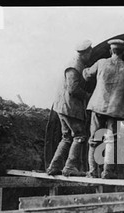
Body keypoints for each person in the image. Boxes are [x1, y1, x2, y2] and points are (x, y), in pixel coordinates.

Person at [82, 39, 124, 179]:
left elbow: (87, 75)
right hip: (116, 110)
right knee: (111, 140)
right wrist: (119, 102)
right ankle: (107, 171)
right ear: (123, 52)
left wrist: (85, 71)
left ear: (111, 51)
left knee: (94, 139)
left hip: (98, 107)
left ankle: (93, 171)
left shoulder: (101, 63)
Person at [47, 40, 93, 176]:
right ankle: (70, 167)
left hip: (63, 106)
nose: (90, 56)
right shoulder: (74, 66)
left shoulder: (75, 64)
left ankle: (54, 166)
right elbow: (73, 89)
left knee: (66, 137)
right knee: (80, 136)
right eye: (89, 53)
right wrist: (87, 96)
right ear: (85, 53)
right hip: (69, 107)